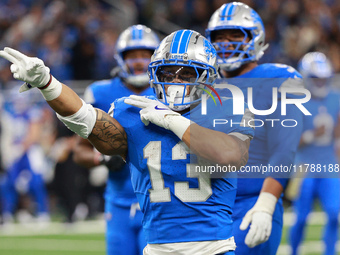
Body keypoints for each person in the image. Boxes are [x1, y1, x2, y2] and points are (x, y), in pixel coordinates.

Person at [0, 29, 255, 255]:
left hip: (213, 248)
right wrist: (47, 83)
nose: (176, 82)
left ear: (208, 77)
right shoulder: (135, 112)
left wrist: (172, 121)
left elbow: (231, 155)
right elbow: (85, 119)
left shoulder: (227, 107)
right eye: (168, 73)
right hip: (156, 247)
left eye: (187, 74)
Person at [205, 2, 304, 254]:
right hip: (205, 206)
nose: (226, 43)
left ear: (255, 38)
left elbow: (284, 151)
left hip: (252, 201)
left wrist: (267, 203)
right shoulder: (204, 86)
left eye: (235, 35)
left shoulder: (279, 78)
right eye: (219, 37)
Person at [73, 24, 159, 255]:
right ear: (120, 59)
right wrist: (100, 158)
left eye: (145, 54)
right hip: (118, 201)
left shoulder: (169, 93)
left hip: (160, 203)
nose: (139, 61)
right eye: (132, 55)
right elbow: (79, 150)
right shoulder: (100, 93)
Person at [288, 52, 340, 255]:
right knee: (301, 217)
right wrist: (310, 135)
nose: (320, 82)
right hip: (303, 165)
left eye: (323, 77)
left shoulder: (335, 97)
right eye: (316, 78)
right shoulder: (295, 103)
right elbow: (289, 143)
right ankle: (293, 251)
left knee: (335, 213)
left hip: (329, 164)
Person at [0, 88, 50, 225]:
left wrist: (22, 147)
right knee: (10, 183)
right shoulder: (9, 114)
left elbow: (34, 134)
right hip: (15, 151)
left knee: (36, 183)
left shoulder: (33, 113)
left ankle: (42, 213)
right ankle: (7, 215)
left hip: (30, 151)